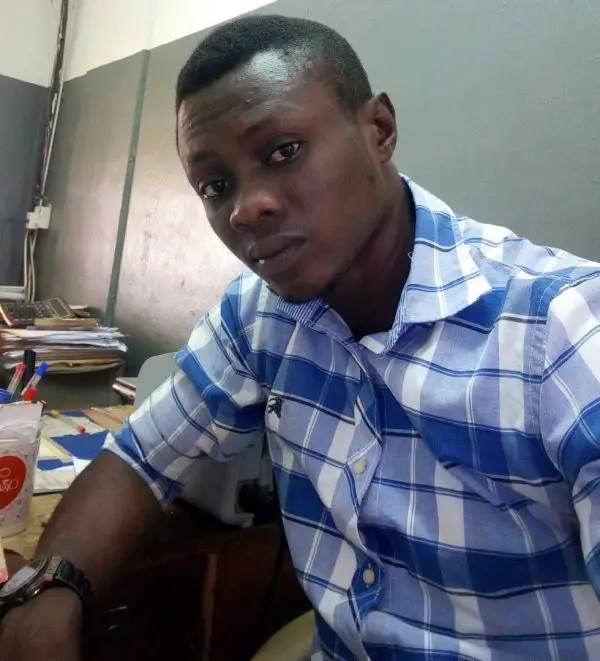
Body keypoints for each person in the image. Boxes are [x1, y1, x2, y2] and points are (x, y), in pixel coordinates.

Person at [1, 13, 600, 661]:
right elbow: (141, 461)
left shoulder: (561, 329)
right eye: (216, 185)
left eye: (282, 151)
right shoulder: (259, 314)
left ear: (379, 130)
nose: (245, 208)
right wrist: (48, 594)